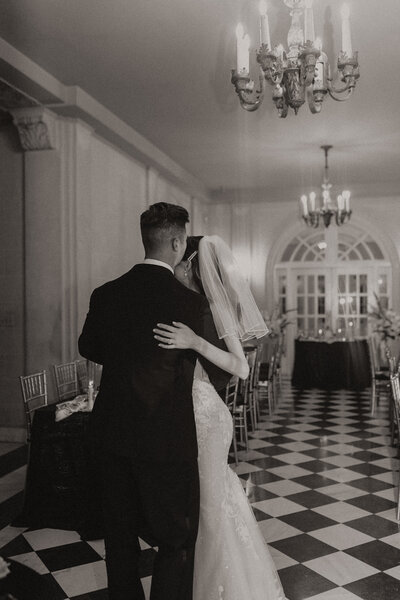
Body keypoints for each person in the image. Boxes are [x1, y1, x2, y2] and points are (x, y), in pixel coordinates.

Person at [78, 204, 230, 600]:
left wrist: (126, 356)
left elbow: (87, 346)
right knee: (175, 540)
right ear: (179, 242)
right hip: (166, 437)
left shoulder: (105, 293)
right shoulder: (188, 303)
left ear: (145, 239)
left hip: (111, 433)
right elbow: (214, 368)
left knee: (119, 538)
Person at [154, 235, 288, 600]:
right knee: (207, 505)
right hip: (198, 413)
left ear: (193, 264)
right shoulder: (191, 305)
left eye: (182, 262)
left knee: (209, 508)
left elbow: (241, 368)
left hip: (207, 417)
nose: (177, 267)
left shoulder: (212, 307)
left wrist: (195, 342)